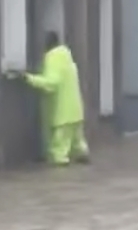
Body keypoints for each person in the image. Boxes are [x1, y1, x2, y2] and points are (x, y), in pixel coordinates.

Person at [23, 31, 90, 166]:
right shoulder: (67, 57)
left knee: (59, 149)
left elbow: (52, 83)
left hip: (62, 111)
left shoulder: (53, 58)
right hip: (75, 109)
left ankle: (61, 167)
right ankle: (82, 154)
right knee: (77, 141)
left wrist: (29, 79)